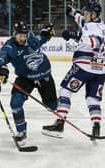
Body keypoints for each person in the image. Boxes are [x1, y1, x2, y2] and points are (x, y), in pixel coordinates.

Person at [42, 1, 105, 140]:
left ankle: (60, 123)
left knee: (65, 91)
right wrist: (72, 11)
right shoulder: (98, 24)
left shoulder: (92, 29)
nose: (84, 15)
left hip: (84, 68)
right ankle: (96, 125)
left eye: (87, 13)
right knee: (93, 98)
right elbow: (81, 20)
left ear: (94, 15)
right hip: (101, 71)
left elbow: (95, 42)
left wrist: (74, 35)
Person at [0, 21, 58, 142]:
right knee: (15, 103)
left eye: (24, 35)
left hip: (44, 76)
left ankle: (60, 121)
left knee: (52, 106)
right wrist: (0, 69)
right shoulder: (10, 47)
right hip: (25, 78)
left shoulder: (31, 38)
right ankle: (21, 132)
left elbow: (41, 39)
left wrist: (46, 33)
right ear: (14, 34)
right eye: (20, 35)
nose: (23, 38)